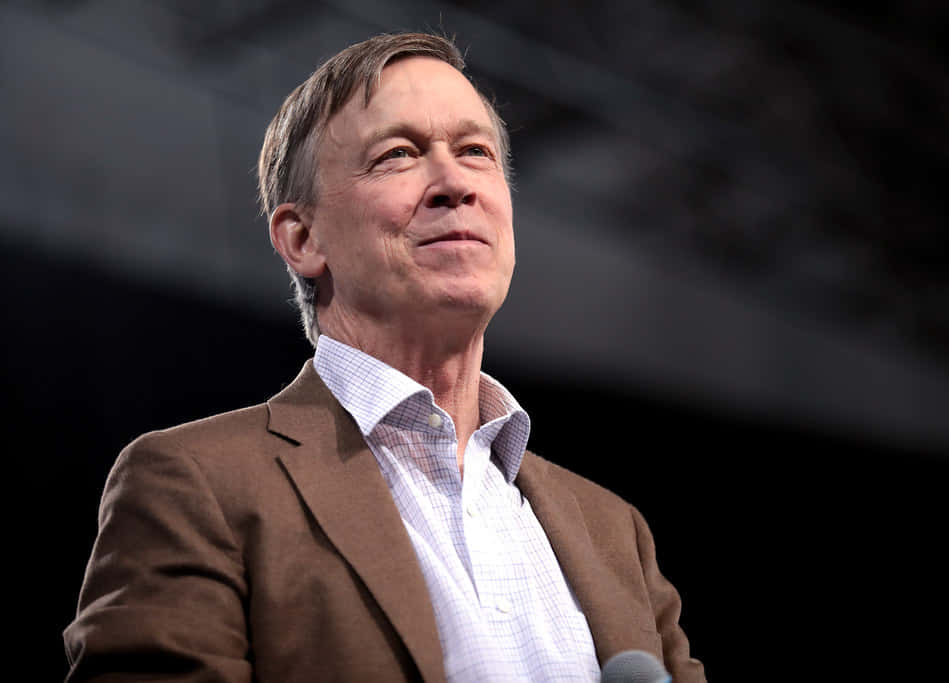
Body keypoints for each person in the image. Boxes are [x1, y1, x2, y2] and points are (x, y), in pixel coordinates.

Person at [63, 32, 706, 683]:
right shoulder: (196, 485)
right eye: (398, 155)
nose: (454, 183)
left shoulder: (615, 532)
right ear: (303, 238)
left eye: (476, 152)